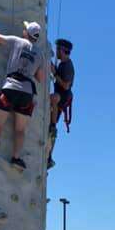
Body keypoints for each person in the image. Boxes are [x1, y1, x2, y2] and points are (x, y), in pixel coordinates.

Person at [0, 13, 46, 171]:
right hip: (27, 92)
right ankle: (16, 159)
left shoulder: (17, 41)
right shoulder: (40, 54)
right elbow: (40, 78)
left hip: (11, 87)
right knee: (20, 129)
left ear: (26, 33)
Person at [47, 38, 74, 169]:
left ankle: (52, 124)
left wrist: (54, 72)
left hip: (62, 97)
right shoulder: (63, 63)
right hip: (60, 95)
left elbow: (66, 85)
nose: (56, 51)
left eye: (58, 49)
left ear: (63, 51)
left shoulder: (68, 66)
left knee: (54, 99)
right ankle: (49, 156)